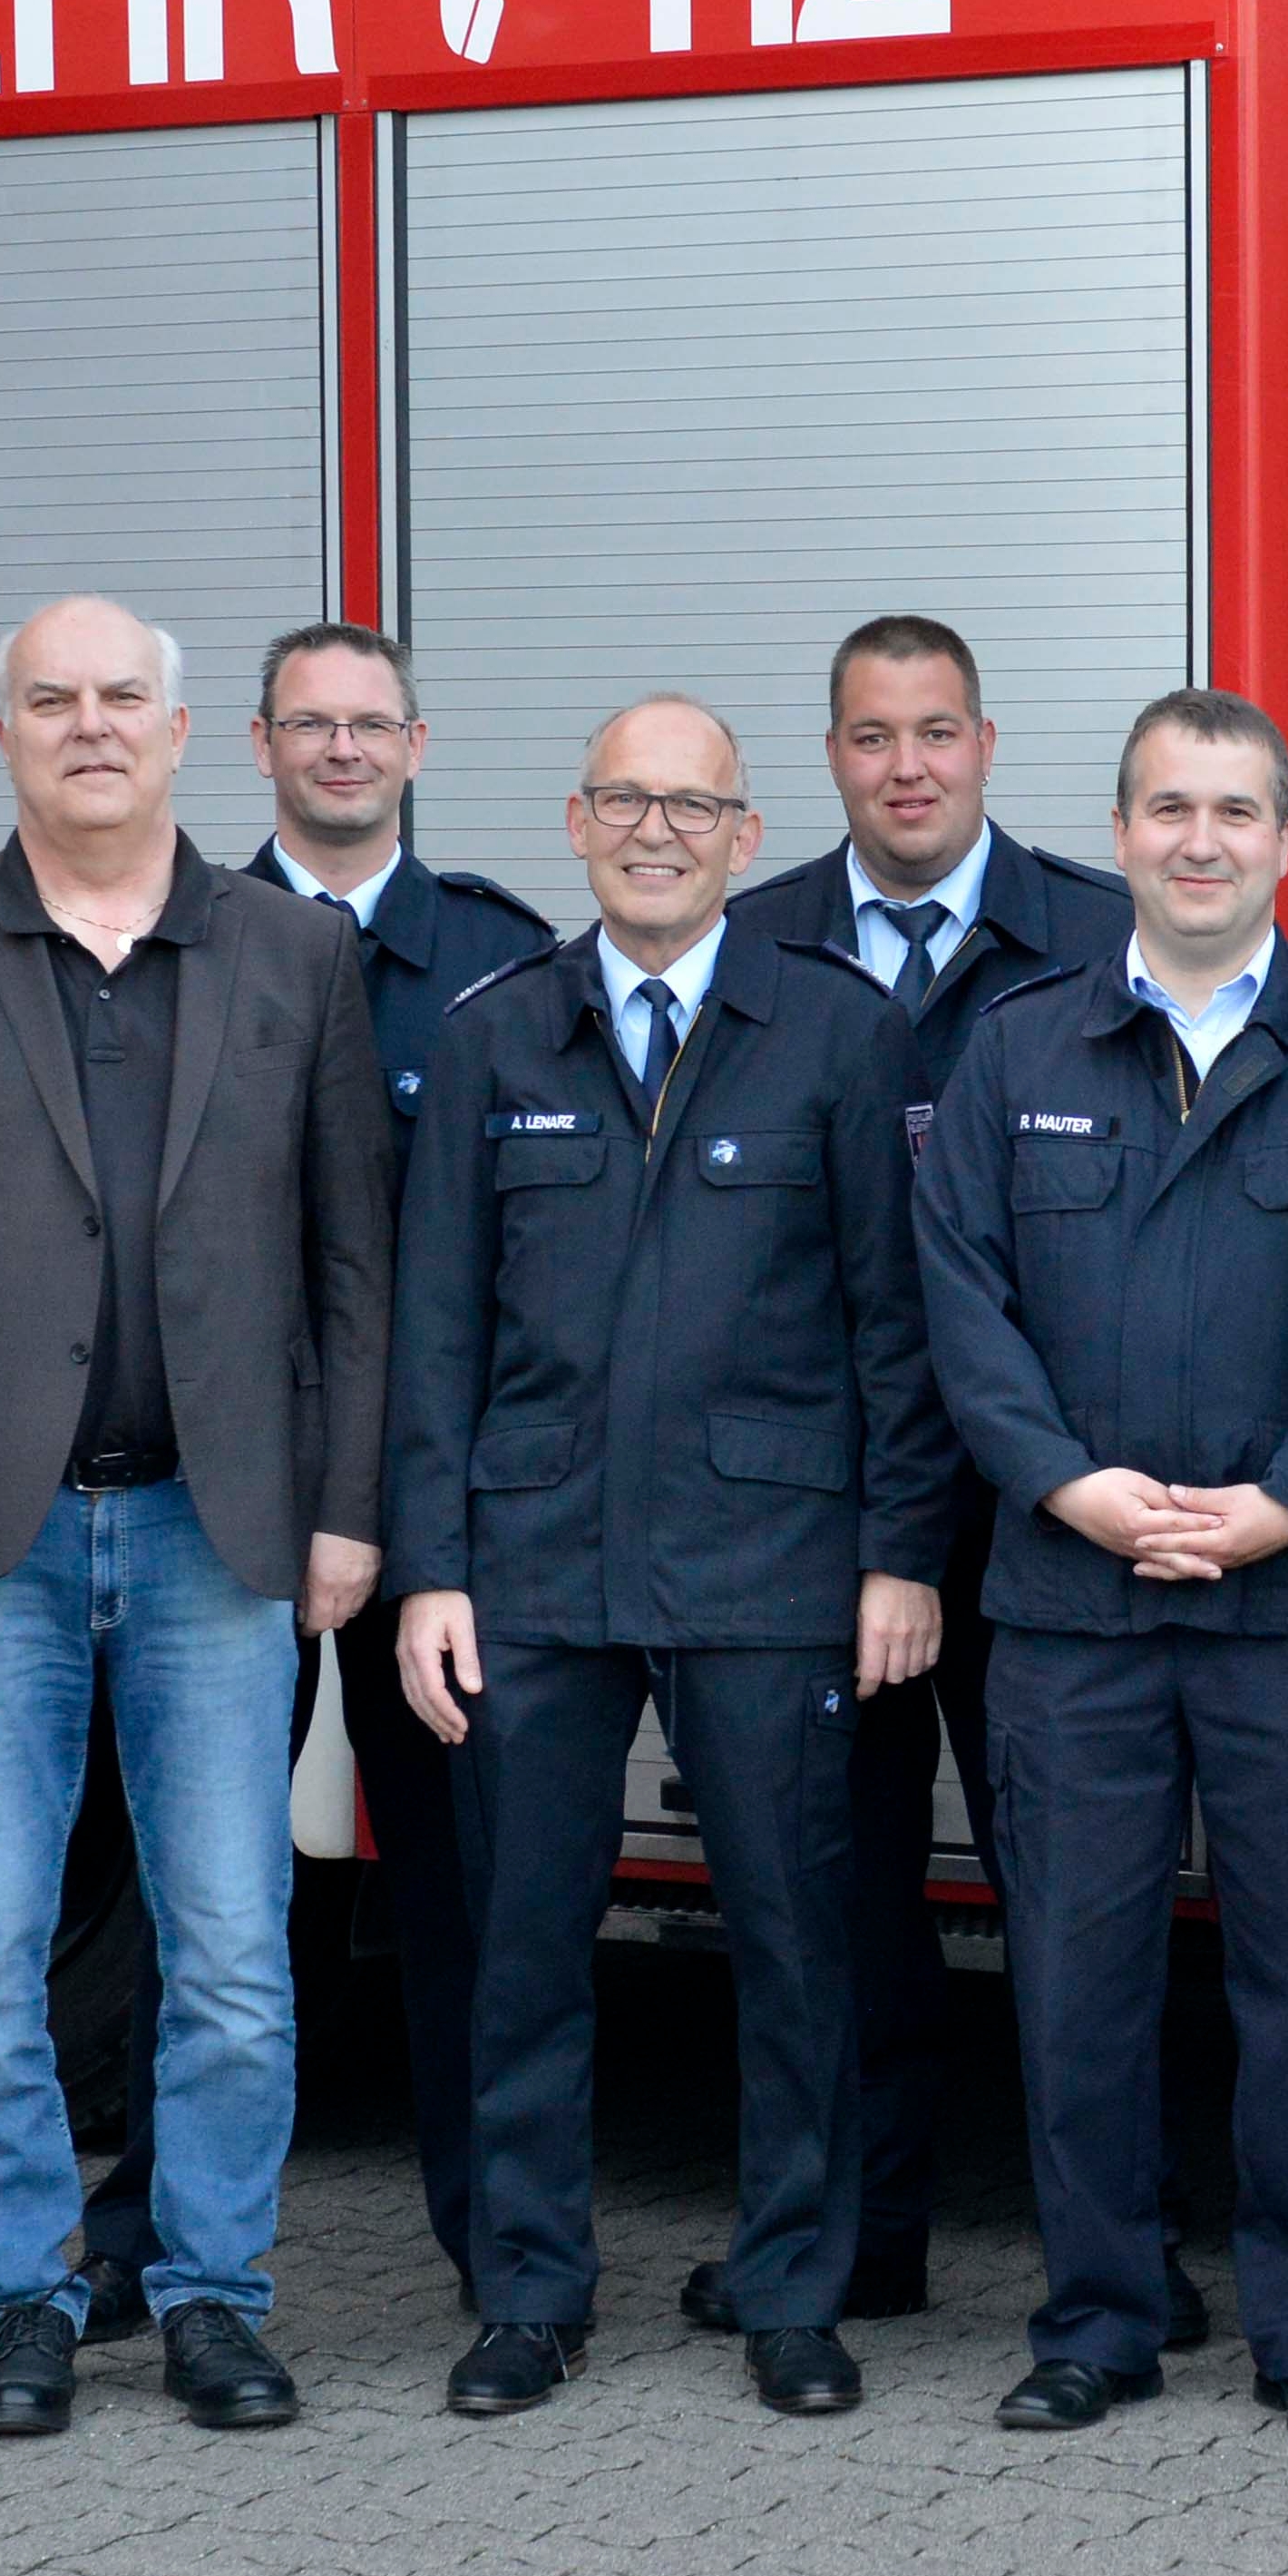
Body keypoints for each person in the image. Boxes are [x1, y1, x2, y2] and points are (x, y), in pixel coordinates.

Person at [0, 599, 388, 2443]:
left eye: (122, 694)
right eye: (51, 698)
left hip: (221, 1537)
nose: (89, 723)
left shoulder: (294, 954)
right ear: (5, 736)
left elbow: (354, 1267)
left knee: (229, 1946)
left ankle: (211, 2294)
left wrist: (343, 1514)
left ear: (188, 729)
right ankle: (23, 2298)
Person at [387, 697, 950, 2424]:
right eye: (624, 800)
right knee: (525, 1946)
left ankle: (795, 2286)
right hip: (537, 1560)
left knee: (795, 1945)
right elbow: (433, 1337)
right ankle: (530, 2290)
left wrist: (898, 1554)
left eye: (688, 806)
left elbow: (894, 1326)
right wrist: (431, 1569)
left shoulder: (838, 1034)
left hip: (772, 1560)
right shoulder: (499, 1036)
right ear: (574, 823)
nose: (654, 830)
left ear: (741, 833)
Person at [913, 690, 1288, 2443]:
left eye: (1233, 812)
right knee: (1076, 1972)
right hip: (1072, 1602)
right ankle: (1100, 2314)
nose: (1198, 841)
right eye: (1165, 809)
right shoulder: (1017, 1048)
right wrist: (1068, 1490)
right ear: (1118, 831)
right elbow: (963, 1308)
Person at [717, 616, 1134, 2330]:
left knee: (1076, 1891)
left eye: (937, 732)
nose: (907, 765)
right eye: (873, 736)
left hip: (1048, 1491)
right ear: (831, 757)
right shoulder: (755, 942)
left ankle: (1106, 2248)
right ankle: (859, 2239)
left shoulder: (1104, 934)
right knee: (845, 1888)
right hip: (827, 1504)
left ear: (987, 744)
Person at [166, 616, 562, 2330]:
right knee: (194, 1872)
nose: (341, 751)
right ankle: (150, 2232)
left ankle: (502, 2246)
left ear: (420, 743)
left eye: (371, 725)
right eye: (309, 726)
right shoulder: (181, 941)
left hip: (434, 1501)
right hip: (221, 1484)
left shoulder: (497, 954)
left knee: (460, 1880)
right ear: (256, 744)